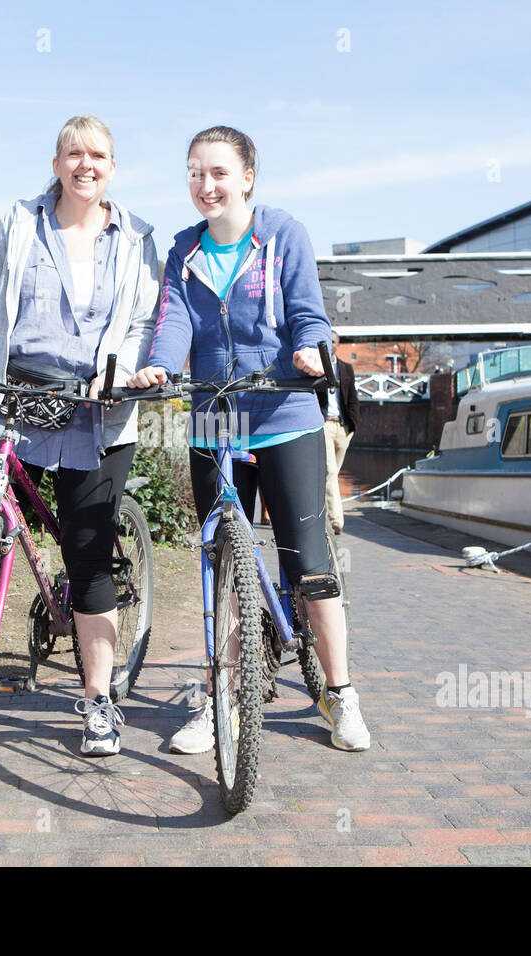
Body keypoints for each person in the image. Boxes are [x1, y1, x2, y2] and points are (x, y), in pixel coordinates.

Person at [0, 116, 160, 758]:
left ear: (113, 167)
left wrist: (121, 373)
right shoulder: (19, 224)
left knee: (90, 563)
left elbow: (142, 322)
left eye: (98, 155)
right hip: (13, 404)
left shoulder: (137, 240)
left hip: (94, 414)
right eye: (73, 153)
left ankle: (98, 702)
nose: (85, 165)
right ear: (56, 163)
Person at [128, 126, 371, 753]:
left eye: (217, 173)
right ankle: (220, 698)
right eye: (194, 173)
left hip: (286, 408)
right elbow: (173, 320)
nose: (205, 186)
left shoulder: (283, 235)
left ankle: (339, 695)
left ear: (247, 179)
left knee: (310, 564)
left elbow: (309, 311)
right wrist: (159, 363)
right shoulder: (183, 249)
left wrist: (312, 350)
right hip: (213, 415)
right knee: (221, 564)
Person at [320, 331, 360, 535]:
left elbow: (353, 398)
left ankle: (323, 513)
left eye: (333, 342)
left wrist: (352, 425)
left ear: (338, 345)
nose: (330, 344)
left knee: (330, 475)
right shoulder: (317, 368)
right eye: (328, 340)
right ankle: (337, 521)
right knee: (331, 472)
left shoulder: (346, 368)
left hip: (343, 427)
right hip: (325, 424)